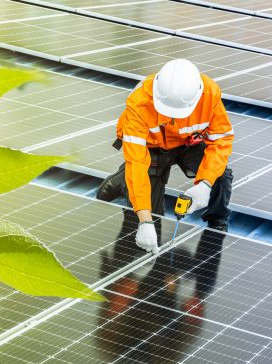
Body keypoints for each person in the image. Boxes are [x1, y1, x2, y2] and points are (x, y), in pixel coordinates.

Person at [96, 59, 234, 254]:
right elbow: (137, 162)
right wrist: (145, 220)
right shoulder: (139, 102)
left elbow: (221, 141)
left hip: (187, 143)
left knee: (221, 176)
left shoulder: (209, 94)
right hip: (151, 148)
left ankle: (217, 220)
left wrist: (205, 184)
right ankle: (121, 181)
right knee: (151, 214)